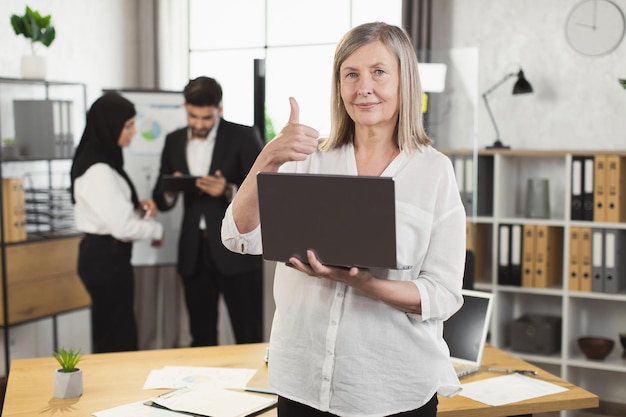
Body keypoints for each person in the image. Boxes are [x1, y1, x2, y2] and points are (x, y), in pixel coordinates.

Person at [221, 22, 466, 417]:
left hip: (392, 388)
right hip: (302, 383)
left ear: (405, 80)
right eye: (350, 74)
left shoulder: (434, 172)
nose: (363, 87)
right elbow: (240, 236)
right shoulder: (308, 159)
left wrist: (366, 284)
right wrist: (268, 158)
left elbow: (443, 294)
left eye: (379, 72)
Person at [152, 76, 264, 347]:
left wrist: (228, 191)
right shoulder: (174, 141)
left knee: (247, 331)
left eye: (206, 118)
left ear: (219, 110)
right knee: (200, 335)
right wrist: (171, 187)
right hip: (194, 251)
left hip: (237, 252)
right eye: (193, 116)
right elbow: (160, 194)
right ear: (184, 107)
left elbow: (265, 190)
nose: (199, 124)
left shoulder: (244, 136)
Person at [70, 92, 164, 354]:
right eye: (128, 125)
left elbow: (112, 212)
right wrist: (156, 229)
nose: (134, 132)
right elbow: (122, 228)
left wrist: (136, 207)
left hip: (104, 256)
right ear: (109, 127)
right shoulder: (99, 170)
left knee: (115, 330)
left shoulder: (102, 162)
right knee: (116, 336)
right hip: (106, 259)